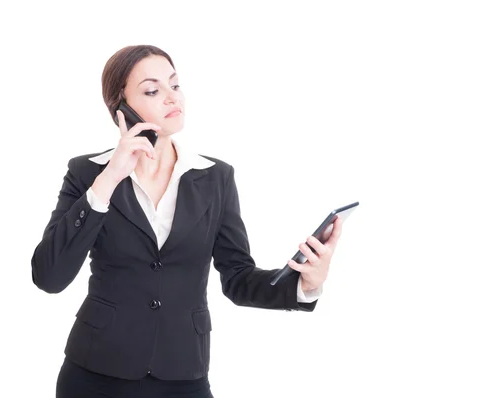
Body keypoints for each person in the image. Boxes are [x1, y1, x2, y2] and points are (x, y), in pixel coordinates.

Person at [31, 44, 343, 398]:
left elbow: (238, 277)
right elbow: (49, 277)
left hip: (182, 374)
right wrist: (108, 179)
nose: (171, 97)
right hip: (95, 372)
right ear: (121, 106)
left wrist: (304, 284)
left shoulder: (215, 177)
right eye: (152, 90)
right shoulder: (87, 173)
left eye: (175, 85)